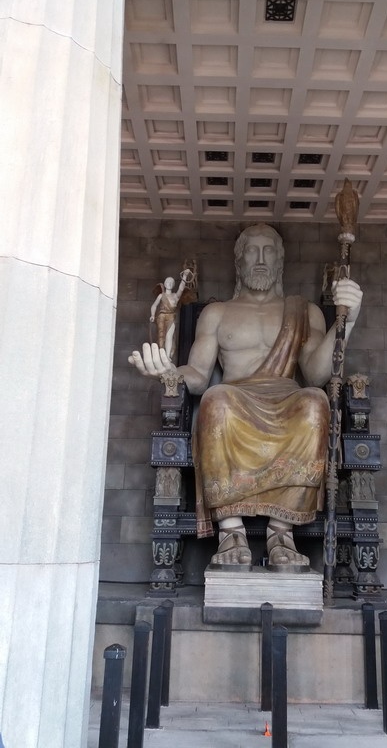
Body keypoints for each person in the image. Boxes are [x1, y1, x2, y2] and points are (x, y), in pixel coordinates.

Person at [129, 224, 362, 570]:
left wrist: (348, 321)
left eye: (269, 251)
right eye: (252, 251)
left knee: (315, 401)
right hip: (235, 399)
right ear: (238, 263)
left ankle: (281, 532)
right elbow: (198, 376)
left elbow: (316, 374)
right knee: (215, 399)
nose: (261, 259)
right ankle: (231, 531)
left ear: (280, 262)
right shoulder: (218, 313)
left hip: (286, 400)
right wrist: (169, 372)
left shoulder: (304, 311)